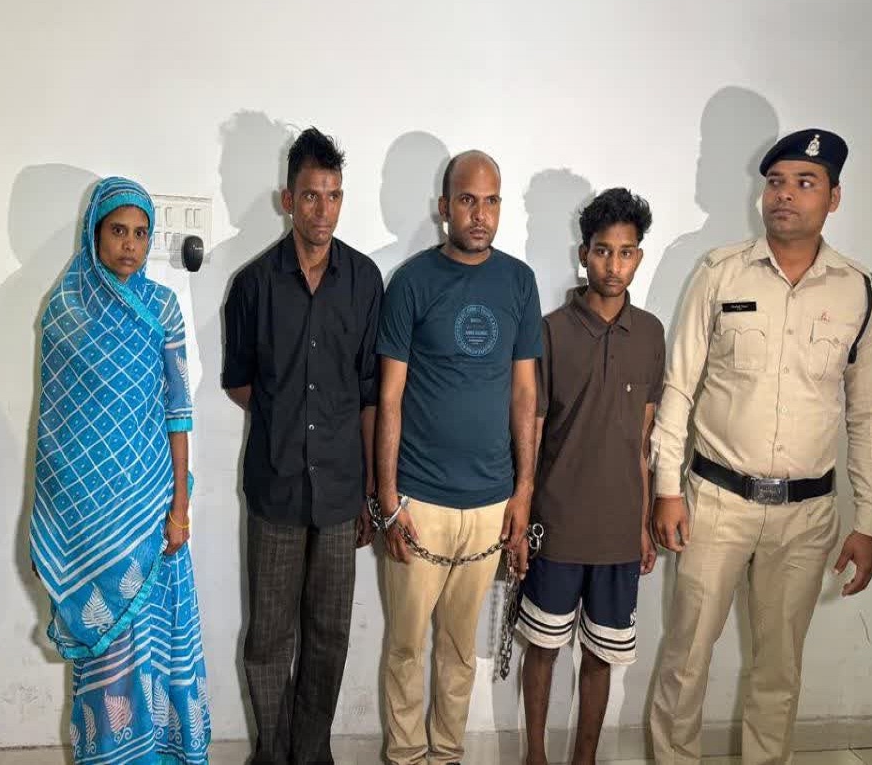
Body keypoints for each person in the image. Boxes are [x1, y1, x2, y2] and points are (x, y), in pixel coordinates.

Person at [649, 129, 872, 763]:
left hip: (806, 517)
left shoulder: (859, 290)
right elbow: (679, 386)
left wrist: (868, 520)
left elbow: (870, 414)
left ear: (834, 198)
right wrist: (666, 489)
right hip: (715, 503)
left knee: (778, 672)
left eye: (805, 183)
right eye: (776, 182)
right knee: (685, 662)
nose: (785, 195)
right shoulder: (719, 272)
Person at [30, 177, 209, 763]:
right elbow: (57, 429)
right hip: (93, 522)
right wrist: (68, 518)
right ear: (94, 234)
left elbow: (178, 412)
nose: (130, 244)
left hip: (154, 511)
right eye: (118, 231)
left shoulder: (162, 308)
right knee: (107, 655)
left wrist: (179, 507)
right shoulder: (65, 312)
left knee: (161, 641)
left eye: (140, 233)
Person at [376, 150, 541, 765]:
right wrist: (387, 499)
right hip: (419, 500)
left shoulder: (518, 282)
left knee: (459, 650)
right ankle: (404, 757)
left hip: (491, 502)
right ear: (444, 207)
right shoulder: (411, 282)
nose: (479, 214)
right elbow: (389, 398)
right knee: (405, 649)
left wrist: (523, 492)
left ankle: (446, 755)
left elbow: (525, 395)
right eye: (467, 200)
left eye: (491, 201)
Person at [222, 127, 382, 764]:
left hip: (341, 491)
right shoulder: (253, 284)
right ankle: (273, 753)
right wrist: (290, 419)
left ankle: (313, 754)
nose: (323, 210)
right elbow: (240, 384)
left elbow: (369, 391)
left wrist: (370, 488)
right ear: (287, 199)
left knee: (329, 635)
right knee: (268, 637)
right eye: (311, 196)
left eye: (334, 196)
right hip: (276, 485)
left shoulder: (364, 281)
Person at [515, 188, 664, 765]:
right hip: (556, 527)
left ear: (638, 258)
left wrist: (643, 524)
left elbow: (643, 442)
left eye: (625, 253)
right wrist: (522, 515)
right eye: (603, 251)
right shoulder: (551, 330)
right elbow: (532, 430)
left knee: (602, 657)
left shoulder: (650, 334)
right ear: (584, 254)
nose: (613, 265)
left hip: (619, 533)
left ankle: (585, 758)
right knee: (543, 650)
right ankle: (534, 755)